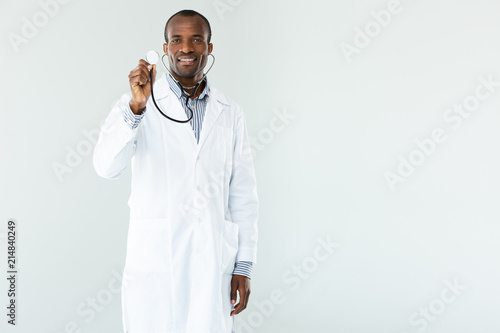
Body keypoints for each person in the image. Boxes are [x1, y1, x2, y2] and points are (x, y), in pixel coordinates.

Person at [93, 9, 258, 333]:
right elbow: (105, 166)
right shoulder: (139, 102)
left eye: (197, 39)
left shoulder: (230, 112)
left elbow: (243, 194)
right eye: (177, 40)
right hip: (156, 258)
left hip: (213, 259)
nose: (186, 48)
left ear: (209, 48)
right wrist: (136, 110)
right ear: (165, 47)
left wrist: (244, 265)